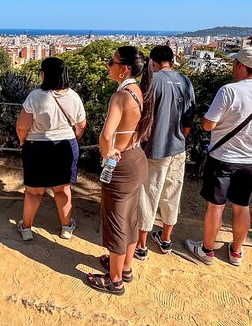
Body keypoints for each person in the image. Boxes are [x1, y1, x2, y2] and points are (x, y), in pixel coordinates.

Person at [185, 46, 252, 266]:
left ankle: (207, 250)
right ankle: (236, 252)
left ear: (240, 65)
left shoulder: (229, 91)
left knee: (216, 206)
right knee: (242, 206)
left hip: (223, 157)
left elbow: (208, 125)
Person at [85, 46, 154, 296]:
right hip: (137, 158)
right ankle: (125, 267)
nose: (108, 66)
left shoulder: (120, 96)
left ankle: (114, 280)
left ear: (123, 69)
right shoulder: (139, 90)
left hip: (122, 163)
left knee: (116, 220)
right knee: (130, 217)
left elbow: (106, 136)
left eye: (111, 62)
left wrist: (107, 153)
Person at [15, 57, 86, 241]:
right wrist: (72, 139)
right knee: (62, 190)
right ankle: (66, 228)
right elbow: (81, 126)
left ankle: (26, 228)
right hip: (65, 146)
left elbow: (22, 126)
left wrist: (23, 142)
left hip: (37, 147)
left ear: (44, 74)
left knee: (33, 192)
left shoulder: (35, 96)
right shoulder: (74, 96)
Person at [135, 45, 195, 259]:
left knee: (148, 195)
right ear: (171, 60)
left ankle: (141, 245)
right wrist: (180, 138)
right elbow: (189, 119)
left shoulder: (151, 81)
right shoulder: (185, 81)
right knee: (172, 194)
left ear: (153, 62)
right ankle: (166, 239)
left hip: (155, 148)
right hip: (177, 147)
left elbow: (141, 116)